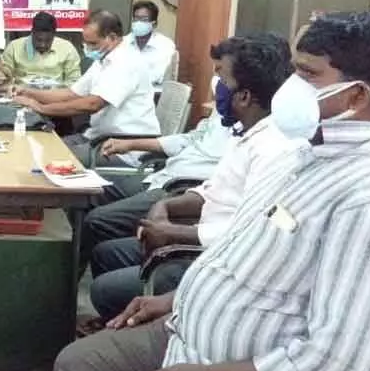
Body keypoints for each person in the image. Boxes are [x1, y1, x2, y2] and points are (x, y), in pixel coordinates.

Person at [53, 11, 370, 371]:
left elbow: (336, 360)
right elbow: (243, 250)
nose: (290, 88)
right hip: (192, 335)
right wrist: (177, 300)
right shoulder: (304, 156)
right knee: (75, 368)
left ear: (357, 96)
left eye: (307, 76)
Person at [85, 34, 292, 323]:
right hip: (187, 208)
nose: (215, 86)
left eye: (221, 78)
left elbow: (254, 231)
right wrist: (165, 209)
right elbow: (212, 189)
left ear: (244, 96)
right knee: (106, 252)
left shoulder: (273, 147)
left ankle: (143, 328)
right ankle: (120, 324)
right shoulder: (242, 130)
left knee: (105, 287)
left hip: (213, 254)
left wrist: (174, 233)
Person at [13, 10, 159, 167]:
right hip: (97, 137)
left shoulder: (126, 62)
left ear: (112, 38)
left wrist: (41, 108)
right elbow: (71, 93)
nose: (88, 48)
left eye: (93, 43)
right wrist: (28, 92)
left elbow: (92, 104)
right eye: (86, 43)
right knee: (41, 145)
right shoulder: (103, 59)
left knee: (48, 157)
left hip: (123, 147)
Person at [0, 11, 81, 87]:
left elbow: (74, 82)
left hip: (55, 97)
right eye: (38, 40)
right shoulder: (14, 47)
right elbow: (4, 74)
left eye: (48, 40)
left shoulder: (67, 49)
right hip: (22, 95)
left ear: (54, 35)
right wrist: (2, 76)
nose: (43, 45)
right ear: (32, 32)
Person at [124, 0, 177, 87]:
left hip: (153, 93)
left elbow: (157, 76)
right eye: (136, 19)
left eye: (144, 19)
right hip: (124, 92)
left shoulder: (165, 45)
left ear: (154, 23)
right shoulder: (123, 42)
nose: (138, 22)